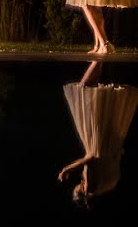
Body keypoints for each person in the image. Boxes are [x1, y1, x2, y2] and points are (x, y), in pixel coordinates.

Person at [58, 60, 138, 206]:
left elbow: (89, 158)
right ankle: (99, 59)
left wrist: (73, 167)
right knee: (85, 89)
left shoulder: (108, 185)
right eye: (77, 188)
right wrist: (67, 169)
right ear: (82, 190)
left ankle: (100, 59)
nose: (79, 184)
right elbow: (90, 159)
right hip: (97, 139)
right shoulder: (91, 186)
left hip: (108, 140)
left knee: (95, 96)